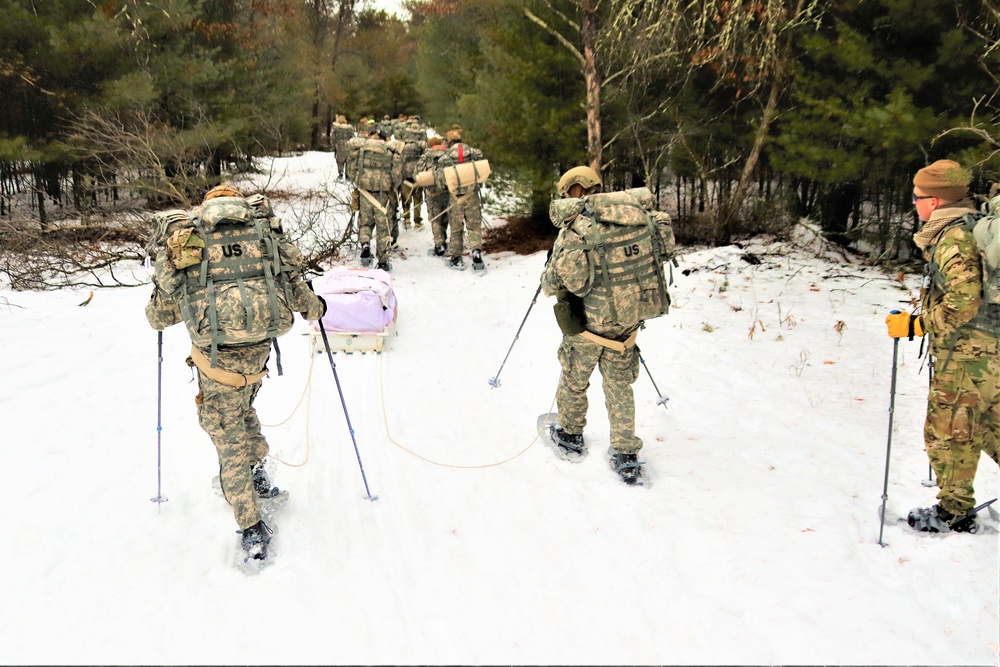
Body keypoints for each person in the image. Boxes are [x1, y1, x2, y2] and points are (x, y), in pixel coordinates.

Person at [144, 184, 326, 559]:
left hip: (216, 360)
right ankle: (256, 469)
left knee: (226, 435)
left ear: (206, 206)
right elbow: (305, 302)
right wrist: (317, 306)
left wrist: (158, 299)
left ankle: (251, 527)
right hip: (257, 356)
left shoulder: (190, 240)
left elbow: (160, 317)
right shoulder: (262, 235)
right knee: (242, 412)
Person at [539, 167, 674, 485]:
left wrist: (550, 267)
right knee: (619, 387)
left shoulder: (577, 227)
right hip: (627, 324)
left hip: (589, 325)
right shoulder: (635, 215)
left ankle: (571, 435)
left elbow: (557, 282)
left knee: (574, 379)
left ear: (573, 190)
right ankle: (626, 455)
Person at [885, 159, 1000, 533]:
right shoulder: (970, 226)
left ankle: (955, 511)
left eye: (917, 197)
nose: (913, 203)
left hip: (969, 355)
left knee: (948, 431)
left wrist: (916, 324)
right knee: (988, 425)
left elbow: (964, 301)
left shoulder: (952, 238)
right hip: (989, 351)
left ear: (934, 201)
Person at [343, 127, 402, 271]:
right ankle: (382, 261)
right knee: (383, 228)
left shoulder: (361, 150)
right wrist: (392, 186)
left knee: (365, 223)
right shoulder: (389, 152)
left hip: (364, 193)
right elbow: (396, 175)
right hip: (383, 196)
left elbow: (350, 171)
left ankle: (365, 245)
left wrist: (358, 182)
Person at [439, 130, 485, 270]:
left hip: (455, 198)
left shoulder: (445, 158)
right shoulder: (474, 153)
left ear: (449, 142)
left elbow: (442, 180)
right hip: (472, 196)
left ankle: (456, 257)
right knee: (474, 227)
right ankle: (476, 253)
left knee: (456, 228)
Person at [416, 136, 451, 256]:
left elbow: (417, 171)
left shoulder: (426, 156)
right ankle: (444, 239)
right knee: (445, 215)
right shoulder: (448, 154)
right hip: (446, 190)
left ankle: (439, 244)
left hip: (432, 192)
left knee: (435, 218)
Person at [399, 121, 428, 230]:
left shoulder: (402, 147)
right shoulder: (420, 147)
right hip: (417, 177)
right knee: (417, 200)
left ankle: (406, 219)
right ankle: (417, 221)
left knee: (405, 200)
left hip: (405, 178)